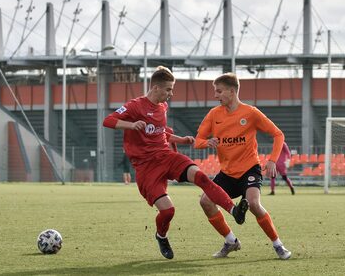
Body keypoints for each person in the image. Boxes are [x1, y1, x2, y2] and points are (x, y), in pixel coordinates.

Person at [103, 66, 249, 260]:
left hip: (166, 156)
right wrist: (131, 124)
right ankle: (161, 236)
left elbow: (161, 132)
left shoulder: (163, 106)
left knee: (201, 177)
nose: (171, 94)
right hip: (146, 167)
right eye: (168, 89)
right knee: (168, 211)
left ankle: (234, 210)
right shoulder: (135, 106)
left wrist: (180, 140)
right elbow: (108, 120)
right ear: (155, 88)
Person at [194, 72, 291, 260]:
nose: (216, 95)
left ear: (232, 91)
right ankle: (230, 241)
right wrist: (207, 143)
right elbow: (197, 140)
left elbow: (278, 134)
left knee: (254, 204)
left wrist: (272, 160)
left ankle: (278, 245)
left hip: (249, 169)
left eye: (219, 91)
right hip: (227, 173)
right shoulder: (214, 114)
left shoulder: (251, 113)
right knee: (205, 201)